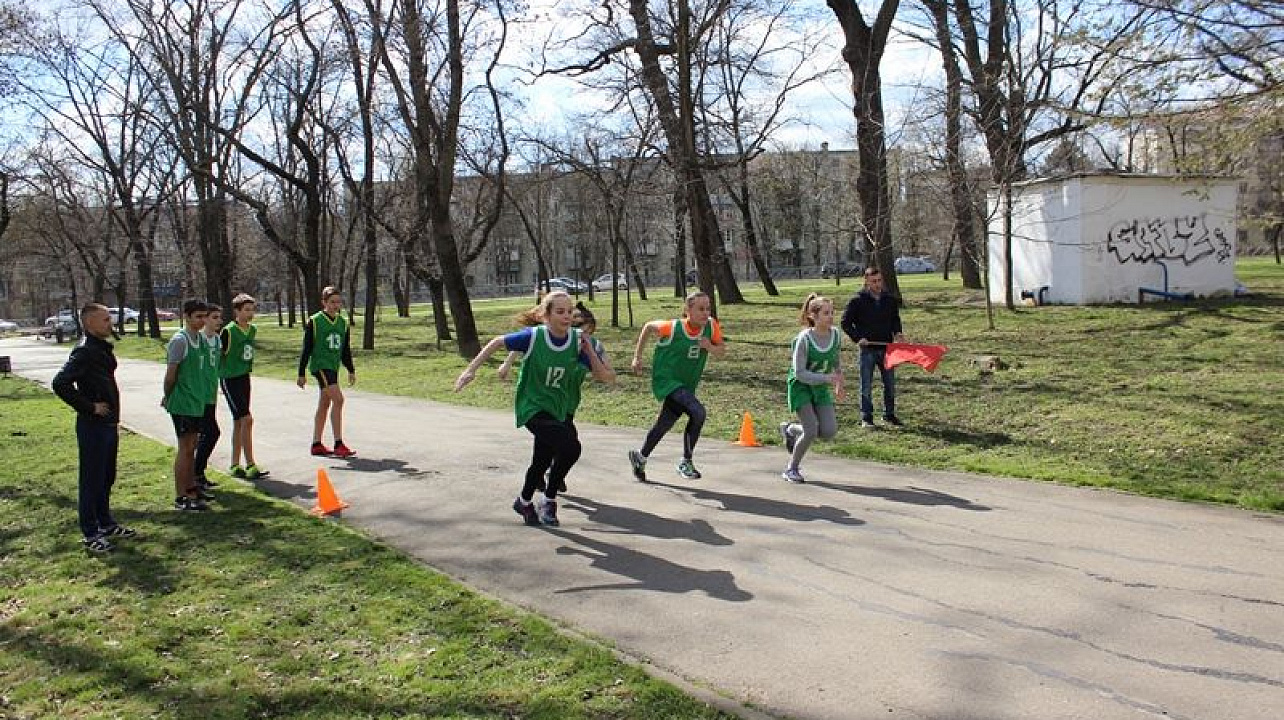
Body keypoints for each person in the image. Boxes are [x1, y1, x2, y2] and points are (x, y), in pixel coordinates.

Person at [455, 291, 614, 527]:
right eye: (560, 312)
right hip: (532, 406)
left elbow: (605, 377)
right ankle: (549, 500)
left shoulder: (577, 342)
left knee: (541, 460)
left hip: (558, 408)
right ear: (546, 316)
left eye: (569, 311)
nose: (567, 316)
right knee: (571, 447)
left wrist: (589, 350)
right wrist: (470, 370)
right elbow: (497, 342)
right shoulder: (534, 336)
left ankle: (524, 501)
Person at [52, 303, 133, 552]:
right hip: (93, 426)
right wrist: (90, 407)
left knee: (106, 477)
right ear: (89, 323)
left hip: (109, 424)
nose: (111, 323)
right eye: (105, 320)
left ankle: (105, 522)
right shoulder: (84, 351)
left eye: (110, 319)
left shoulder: (101, 347)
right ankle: (90, 533)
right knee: (92, 479)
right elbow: (60, 383)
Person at [627, 291, 726, 481]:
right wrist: (637, 357)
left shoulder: (711, 326)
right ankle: (686, 462)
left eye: (708, 308)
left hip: (686, 385)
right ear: (688, 310)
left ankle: (640, 457)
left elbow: (721, 351)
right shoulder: (672, 328)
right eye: (700, 309)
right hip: (667, 381)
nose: (706, 313)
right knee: (698, 412)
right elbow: (648, 327)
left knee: (664, 423)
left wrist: (710, 347)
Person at [779, 294, 845, 483]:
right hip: (800, 387)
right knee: (811, 430)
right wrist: (827, 378)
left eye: (832, 312)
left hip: (820, 387)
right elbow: (800, 373)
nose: (830, 317)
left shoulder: (835, 334)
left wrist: (839, 383)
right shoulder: (804, 339)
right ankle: (791, 469)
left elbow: (835, 360)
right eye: (826, 313)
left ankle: (790, 429)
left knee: (828, 431)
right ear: (813, 316)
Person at [163, 299, 213, 511]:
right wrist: (167, 396)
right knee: (185, 449)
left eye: (204, 316)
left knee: (192, 447)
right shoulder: (179, 341)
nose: (202, 321)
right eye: (198, 316)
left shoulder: (200, 339)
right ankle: (181, 496)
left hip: (196, 402)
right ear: (187, 316)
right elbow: (170, 376)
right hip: (183, 403)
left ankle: (192, 488)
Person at [840, 267, 905, 427]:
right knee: (866, 384)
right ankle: (866, 417)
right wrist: (858, 338)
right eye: (874, 281)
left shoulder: (889, 300)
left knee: (889, 384)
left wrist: (898, 333)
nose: (877, 284)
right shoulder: (857, 301)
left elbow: (895, 319)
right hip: (867, 349)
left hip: (887, 349)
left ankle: (889, 414)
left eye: (879, 281)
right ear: (866, 282)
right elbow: (845, 323)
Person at [297, 286, 357, 458]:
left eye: (338, 302)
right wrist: (301, 372)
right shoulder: (315, 321)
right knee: (339, 399)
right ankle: (338, 443)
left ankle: (316, 444)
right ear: (324, 302)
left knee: (325, 403)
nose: (335, 305)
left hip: (333, 365)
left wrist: (351, 369)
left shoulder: (342, 323)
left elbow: (345, 349)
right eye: (332, 302)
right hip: (321, 366)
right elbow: (307, 348)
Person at [219, 293, 268, 479]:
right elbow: (218, 355)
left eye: (252, 310)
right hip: (229, 378)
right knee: (247, 419)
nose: (250, 313)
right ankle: (250, 464)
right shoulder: (228, 331)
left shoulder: (252, 330)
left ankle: (234, 464)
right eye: (246, 310)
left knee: (239, 421)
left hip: (244, 377)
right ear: (237, 311)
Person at [193, 303, 223, 492]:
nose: (219, 321)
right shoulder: (199, 340)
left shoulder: (217, 340)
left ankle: (198, 474)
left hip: (210, 394)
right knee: (211, 432)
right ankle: (196, 473)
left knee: (206, 434)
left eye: (220, 317)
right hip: (198, 395)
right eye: (214, 317)